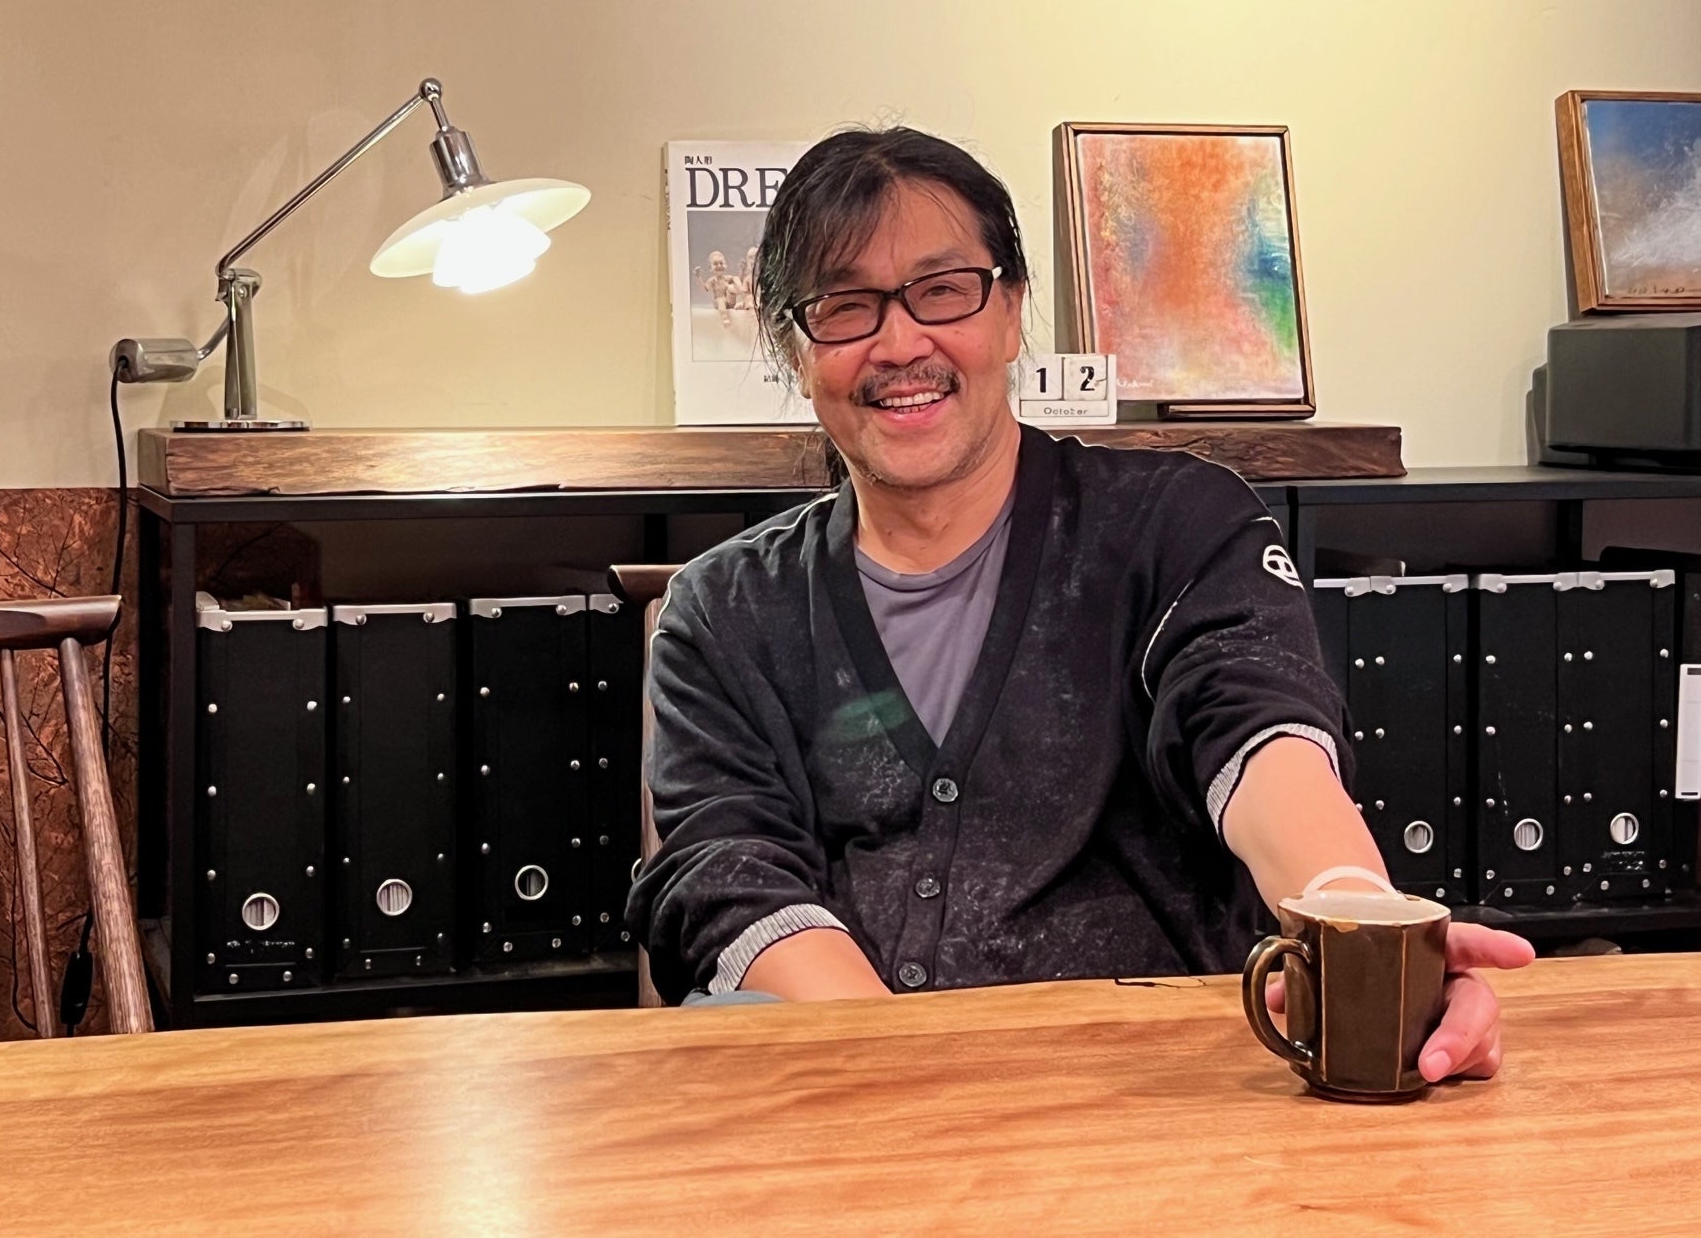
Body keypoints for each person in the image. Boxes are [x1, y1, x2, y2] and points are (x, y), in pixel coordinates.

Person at [627, 127, 1531, 1082]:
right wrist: (913, 1078)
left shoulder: (1178, 527)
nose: (900, 344)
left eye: (944, 289)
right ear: (791, 346)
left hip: (1159, 1096)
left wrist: (1362, 934)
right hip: (854, 1097)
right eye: (844, 307)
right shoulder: (723, 611)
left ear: (1012, 308)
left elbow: (1259, 731)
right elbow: (730, 874)